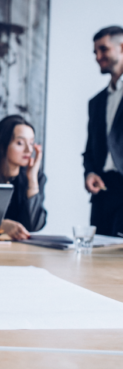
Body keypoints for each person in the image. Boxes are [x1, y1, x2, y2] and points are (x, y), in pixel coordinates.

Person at [83, 26, 123, 237]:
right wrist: (89, 172)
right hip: (102, 195)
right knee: (96, 260)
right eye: (95, 52)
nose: (98, 57)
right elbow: (90, 149)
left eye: (103, 49)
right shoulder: (96, 102)